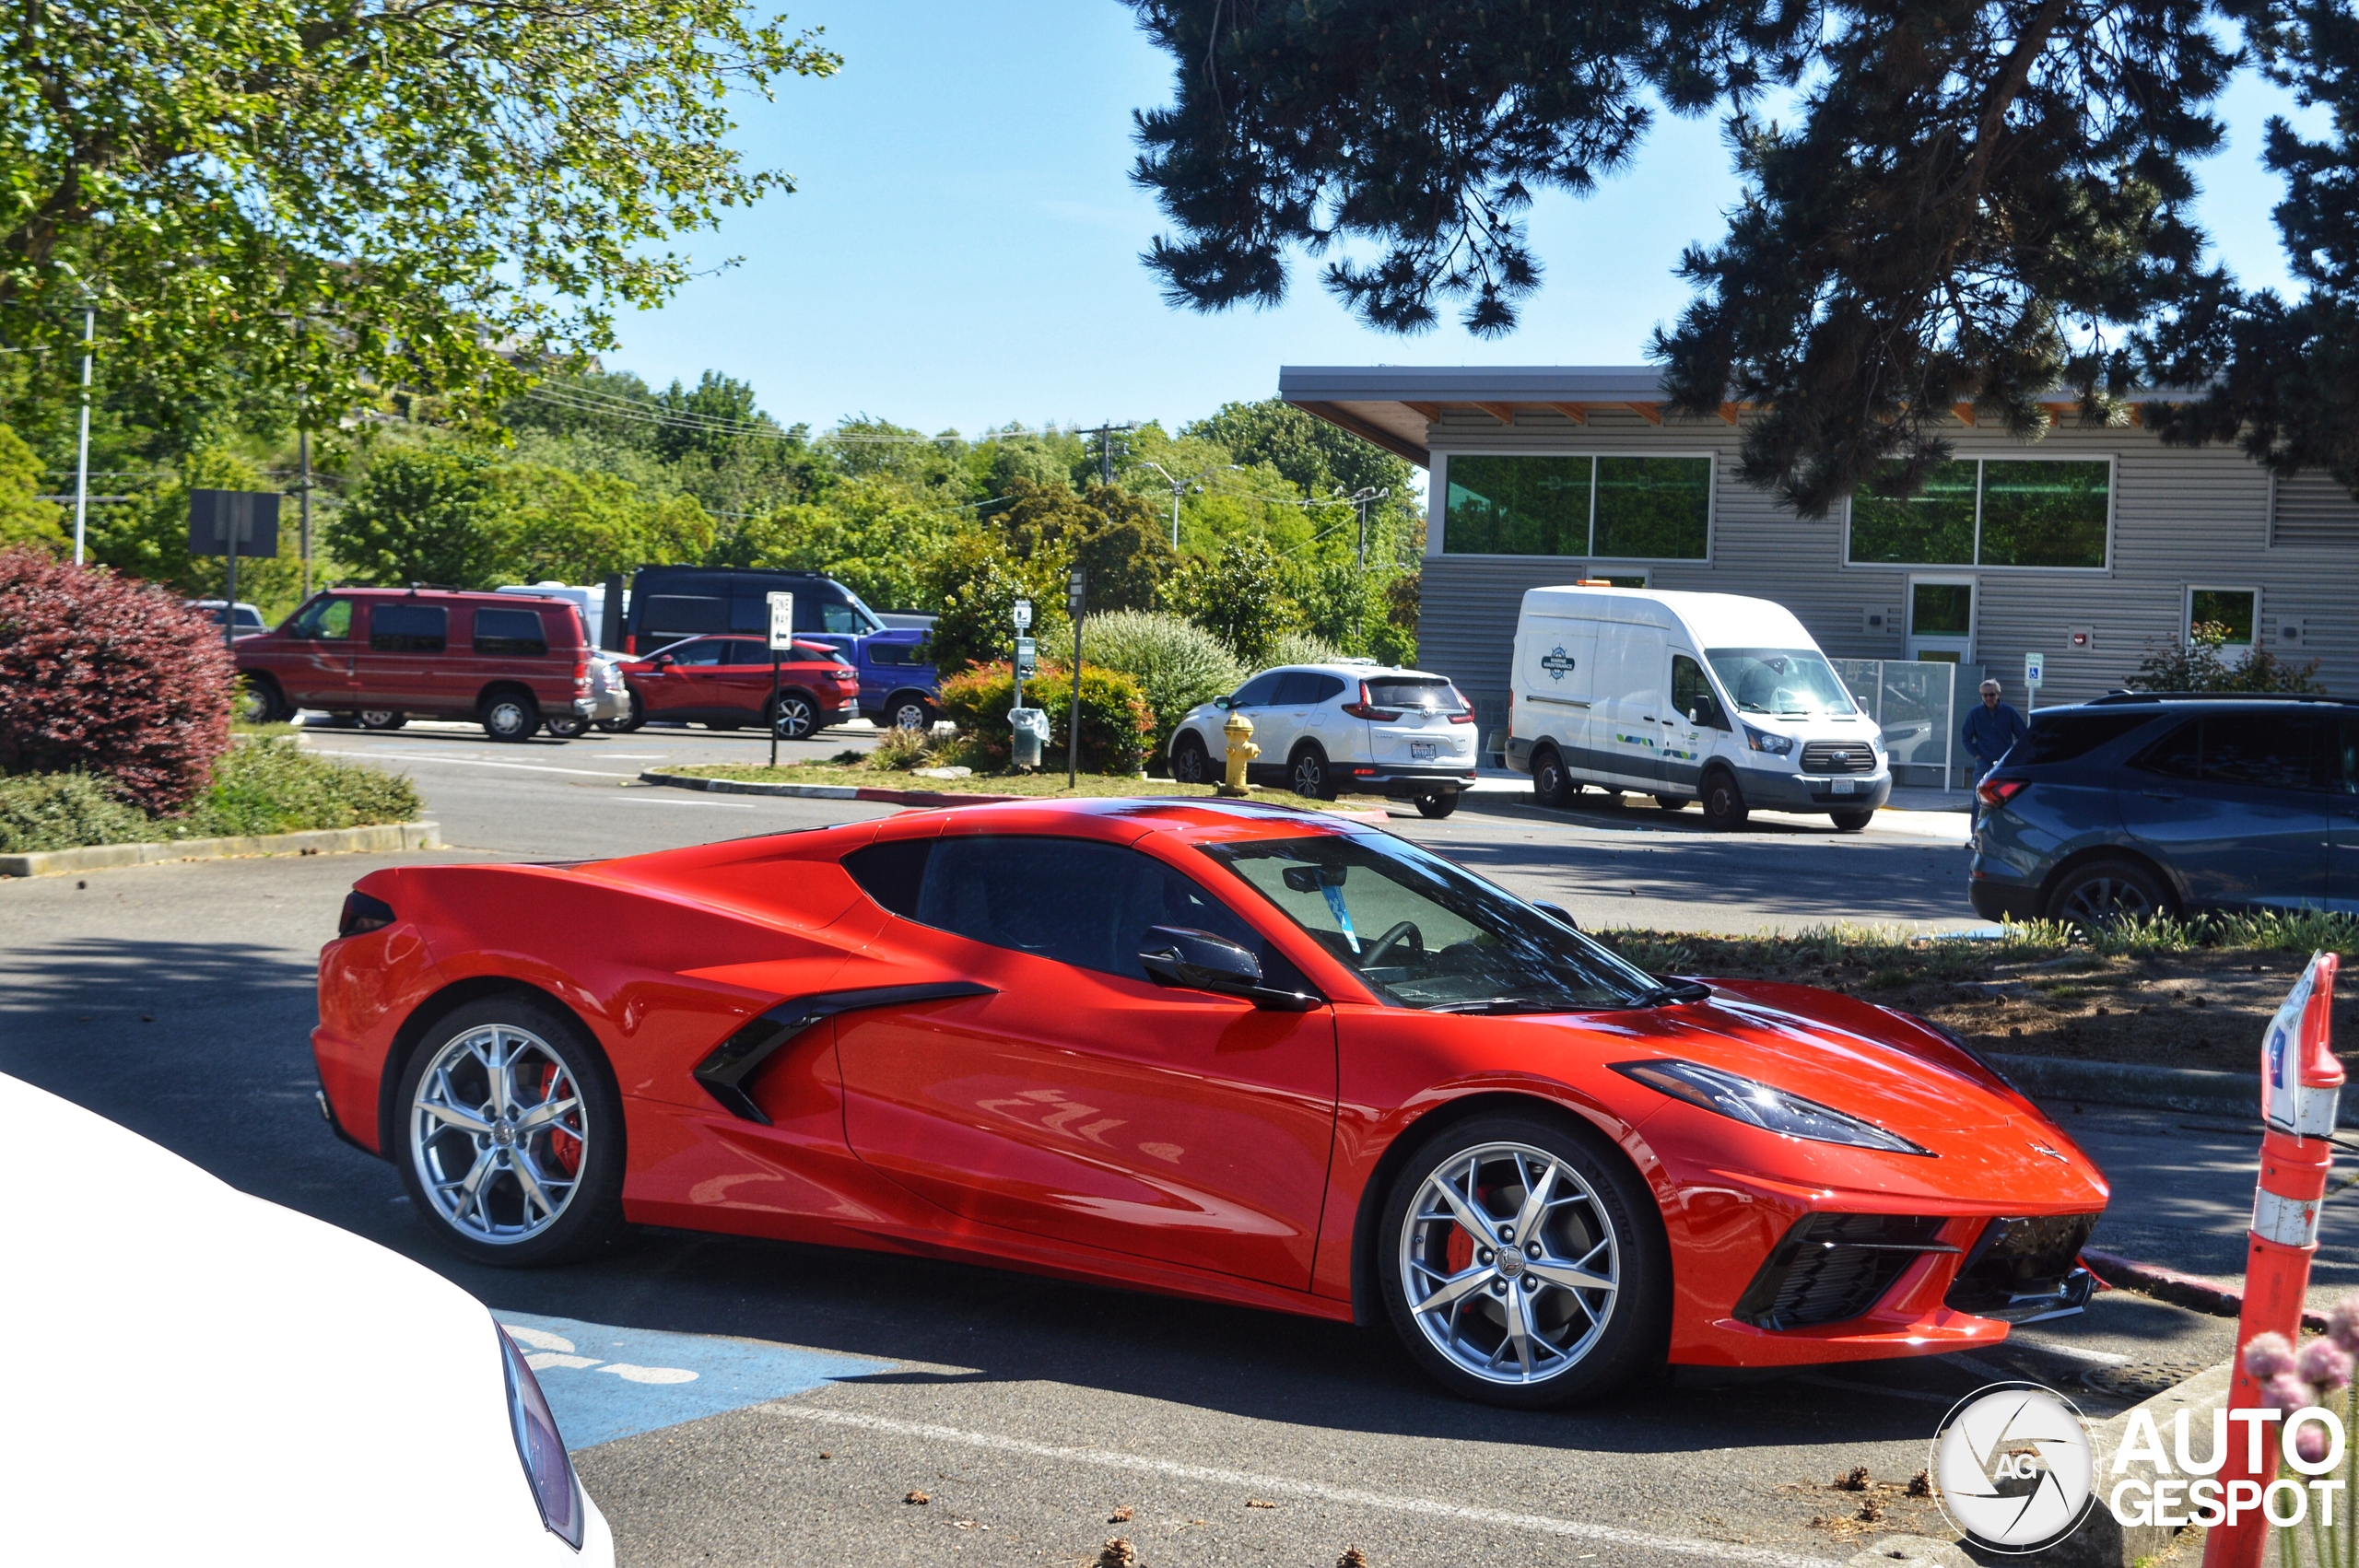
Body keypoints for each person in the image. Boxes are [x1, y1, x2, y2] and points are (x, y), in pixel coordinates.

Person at [1960, 678, 2029, 826]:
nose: (1988, 698)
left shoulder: (2009, 712)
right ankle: (1975, 836)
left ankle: (2002, 836)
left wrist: (2014, 756)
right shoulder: (1975, 713)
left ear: (1998, 694)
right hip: (1983, 763)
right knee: (1979, 800)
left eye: (1991, 695)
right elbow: (1965, 737)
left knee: (2006, 801)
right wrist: (1977, 755)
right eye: (1985, 695)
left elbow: (2023, 736)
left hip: (2004, 764)